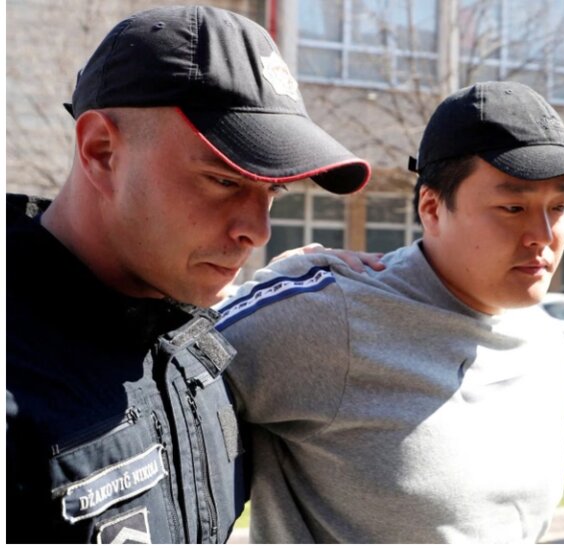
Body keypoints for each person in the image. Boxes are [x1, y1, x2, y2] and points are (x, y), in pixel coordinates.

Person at [6, 5, 372, 543]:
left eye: (272, 191)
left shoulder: (195, 338)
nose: (258, 231)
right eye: (224, 181)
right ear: (101, 151)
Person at [218, 81, 564, 543]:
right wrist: (265, 289)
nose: (543, 235)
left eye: (559, 206)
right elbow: (163, 369)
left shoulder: (545, 341)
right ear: (432, 207)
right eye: (513, 207)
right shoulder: (329, 318)